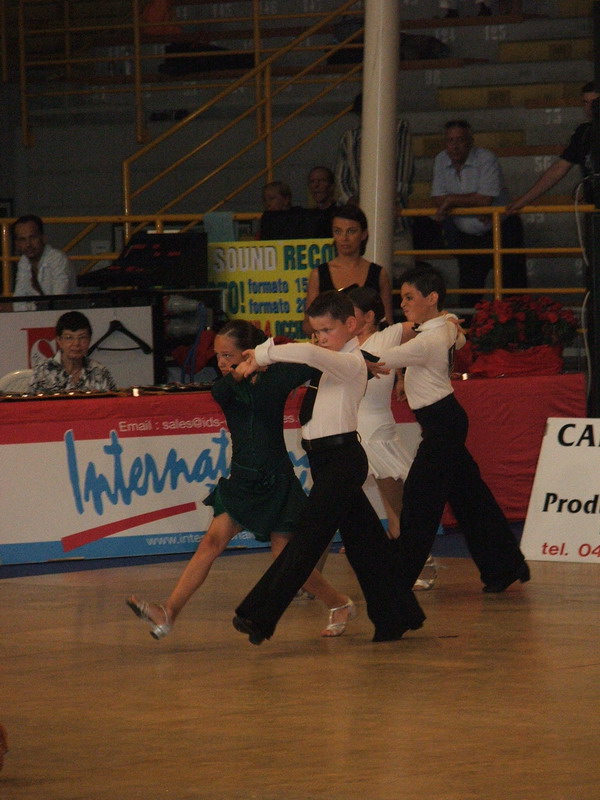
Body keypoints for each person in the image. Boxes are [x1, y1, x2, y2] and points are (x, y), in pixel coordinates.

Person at [127, 319, 357, 640]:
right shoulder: (224, 388)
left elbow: (313, 359)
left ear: (249, 352)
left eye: (227, 356)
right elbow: (228, 390)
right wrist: (244, 370)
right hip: (242, 481)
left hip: (276, 480)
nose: (221, 363)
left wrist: (350, 357)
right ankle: (168, 612)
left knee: (284, 558)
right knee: (211, 543)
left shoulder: (278, 377)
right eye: (218, 356)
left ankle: (339, 602)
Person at [232, 290, 426, 645]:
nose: (320, 338)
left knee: (307, 539)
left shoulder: (349, 362)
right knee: (367, 545)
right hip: (325, 460)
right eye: (316, 331)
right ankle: (399, 615)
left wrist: (260, 354)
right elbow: (305, 358)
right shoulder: (337, 361)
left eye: (326, 330)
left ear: (351, 325)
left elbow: (307, 353)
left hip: (342, 460)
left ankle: (257, 616)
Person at [375, 265, 529, 593]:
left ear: (431, 298)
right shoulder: (443, 327)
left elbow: (380, 359)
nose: (402, 303)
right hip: (446, 419)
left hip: (442, 425)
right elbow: (459, 340)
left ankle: (398, 579)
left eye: (409, 297)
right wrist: (447, 318)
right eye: (402, 297)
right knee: (470, 497)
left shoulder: (428, 340)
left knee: (419, 498)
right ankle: (505, 566)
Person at [348, 285, 441, 590]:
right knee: (335, 505)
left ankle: (420, 562)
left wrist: (449, 321)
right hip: (350, 430)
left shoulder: (389, 334)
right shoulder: (343, 342)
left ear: (369, 316)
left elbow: (430, 327)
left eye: (352, 313)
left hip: (376, 429)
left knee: (396, 508)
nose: (346, 319)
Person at [431, 119, 527, 310]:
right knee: (469, 293)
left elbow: (484, 200)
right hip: (468, 236)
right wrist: (470, 204)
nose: (455, 146)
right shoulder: (441, 159)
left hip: (502, 230)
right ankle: (470, 328)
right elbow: (438, 198)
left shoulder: (486, 158)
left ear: (470, 141)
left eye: (460, 140)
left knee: (513, 292)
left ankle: (516, 328)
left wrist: (452, 201)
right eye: (450, 140)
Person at [334, 93, 414, 278]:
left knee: (404, 273)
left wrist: (392, 199)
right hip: (359, 224)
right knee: (363, 276)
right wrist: (354, 203)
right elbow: (341, 180)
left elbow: (404, 171)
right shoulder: (349, 138)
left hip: (395, 221)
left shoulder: (399, 128)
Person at [506, 81, 600, 214]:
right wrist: (524, 200)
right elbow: (559, 169)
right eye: (585, 103)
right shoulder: (583, 133)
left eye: (594, 103)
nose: (589, 108)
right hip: (594, 207)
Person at [303, 204, 394, 335]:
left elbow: (387, 322)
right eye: (338, 231)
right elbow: (308, 325)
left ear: (363, 234)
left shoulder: (378, 274)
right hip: (330, 345)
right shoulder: (319, 274)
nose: (344, 238)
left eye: (351, 231)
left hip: (368, 344)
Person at [29, 311, 117, 393]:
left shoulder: (99, 371)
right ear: (59, 341)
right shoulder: (43, 371)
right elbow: (32, 403)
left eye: (82, 337)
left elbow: (113, 402)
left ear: (89, 340)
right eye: (69, 338)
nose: (76, 343)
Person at [12, 215, 75, 311]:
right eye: (22, 239)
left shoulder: (58, 259)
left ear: (43, 238)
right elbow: (18, 303)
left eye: (33, 237)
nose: (28, 244)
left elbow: (58, 301)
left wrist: (31, 307)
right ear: (17, 244)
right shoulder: (24, 261)